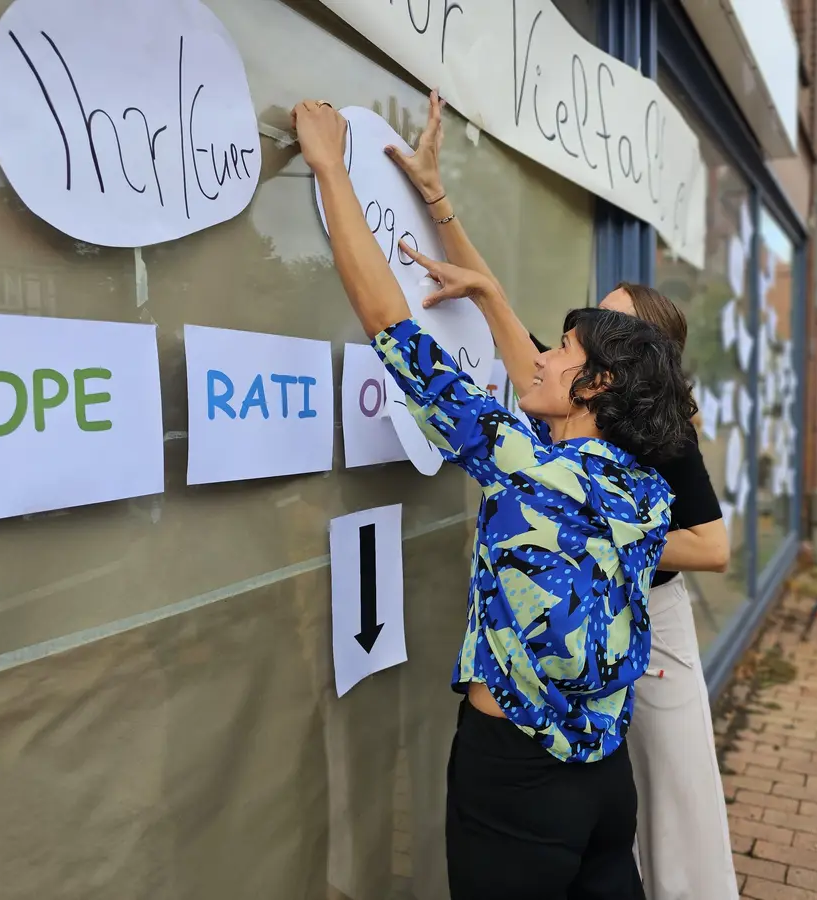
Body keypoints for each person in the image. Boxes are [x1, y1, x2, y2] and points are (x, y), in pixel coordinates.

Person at [292, 98, 698, 900]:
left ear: (597, 383)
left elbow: (388, 320)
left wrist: (333, 169)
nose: (541, 361)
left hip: (514, 777)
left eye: (563, 351)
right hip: (604, 779)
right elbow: (530, 387)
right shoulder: (644, 487)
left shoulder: (524, 465)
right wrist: (474, 273)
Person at [385, 90, 741, 900]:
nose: (568, 345)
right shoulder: (581, 405)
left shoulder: (661, 432)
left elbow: (715, 547)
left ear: (631, 366)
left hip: (648, 631)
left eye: (604, 331)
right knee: (610, 825)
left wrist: (607, 532)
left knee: (679, 818)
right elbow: (514, 338)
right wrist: (441, 206)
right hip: (587, 636)